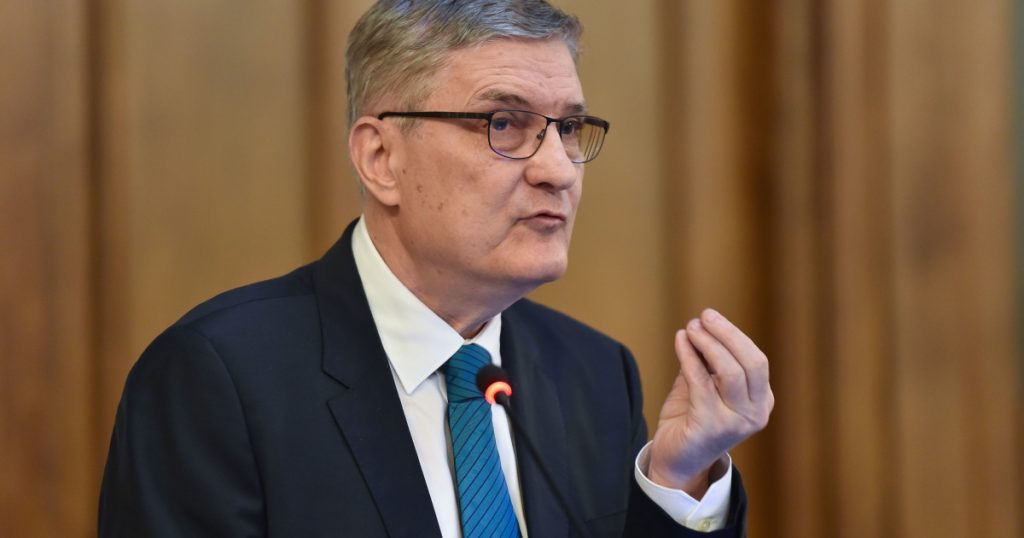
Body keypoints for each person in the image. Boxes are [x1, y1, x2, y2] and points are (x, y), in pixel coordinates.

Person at [98, 1, 773, 536]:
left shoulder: (594, 374)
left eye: (568, 129)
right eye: (504, 124)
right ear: (381, 159)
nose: (559, 170)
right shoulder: (219, 377)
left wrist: (677, 479)